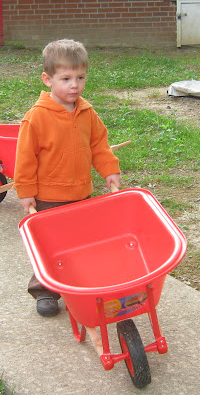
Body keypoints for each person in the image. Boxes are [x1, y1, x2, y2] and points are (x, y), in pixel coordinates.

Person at [14, 39, 121, 317]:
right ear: (47, 80)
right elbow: (25, 159)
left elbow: (99, 145)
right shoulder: (36, 118)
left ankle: (78, 286)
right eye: (66, 78)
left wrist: (109, 171)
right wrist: (26, 192)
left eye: (80, 77)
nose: (75, 85)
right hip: (48, 198)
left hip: (81, 194)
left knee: (80, 243)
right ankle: (45, 290)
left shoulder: (87, 113)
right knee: (49, 247)